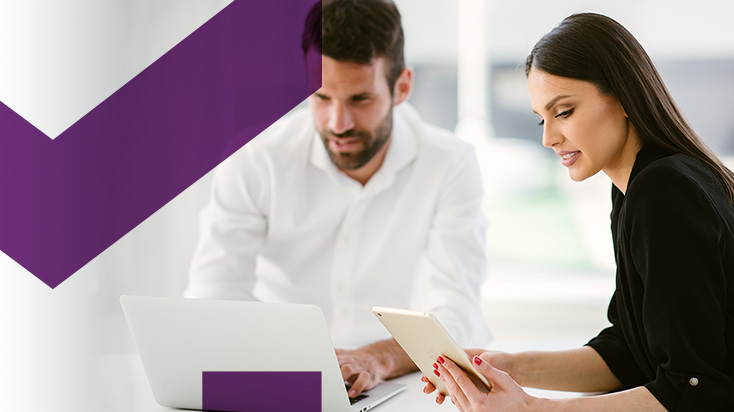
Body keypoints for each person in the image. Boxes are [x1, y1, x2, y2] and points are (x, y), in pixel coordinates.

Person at [423, 12, 734, 411]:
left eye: (564, 112)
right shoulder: (635, 188)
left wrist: (532, 409)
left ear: (622, 97)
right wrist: (508, 367)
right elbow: (627, 352)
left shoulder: (663, 192)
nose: (550, 138)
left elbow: (695, 389)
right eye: (541, 119)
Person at [185, 0, 492, 399]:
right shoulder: (255, 161)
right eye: (322, 97)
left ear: (402, 87)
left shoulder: (450, 165)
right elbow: (213, 294)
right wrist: (292, 363)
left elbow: (456, 308)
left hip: (398, 377)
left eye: (360, 99)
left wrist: (375, 360)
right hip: (277, 371)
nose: (338, 123)